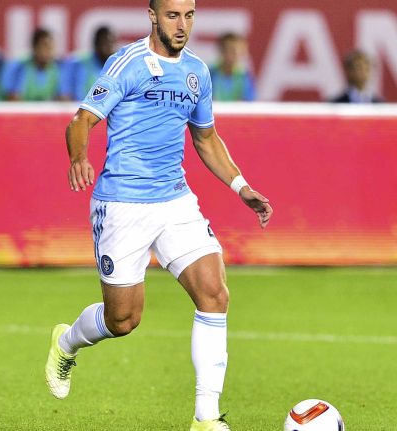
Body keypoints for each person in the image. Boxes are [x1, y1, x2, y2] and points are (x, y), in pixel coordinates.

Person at [44, 1, 272, 431]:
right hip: (123, 205)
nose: (182, 24)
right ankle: (67, 342)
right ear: (153, 16)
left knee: (215, 293)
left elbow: (206, 139)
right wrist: (79, 157)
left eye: (189, 15)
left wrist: (241, 187)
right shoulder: (127, 62)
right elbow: (80, 121)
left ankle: (205, 417)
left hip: (174, 201)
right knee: (123, 320)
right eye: (172, 15)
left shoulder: (197, 73)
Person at [0, 28, 64, 101]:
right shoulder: (18, 67)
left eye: (52, 48)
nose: (49, 51)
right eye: (45, 47)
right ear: (34, 48)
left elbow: (61, 98)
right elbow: (12, 100)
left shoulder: (54, 70)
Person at [60, 26, 117, 101]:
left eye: (111, 43)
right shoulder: (82, 64)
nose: (109, 48)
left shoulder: (117, 66)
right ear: (96, 44)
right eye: (105, 43)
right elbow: (79, 94)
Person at [208, 32, 255, 101]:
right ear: (221, 50)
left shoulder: (244, 76)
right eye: (228, 50)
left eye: (235, 51)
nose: (232, 54)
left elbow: (249, 103)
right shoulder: (209, 73)